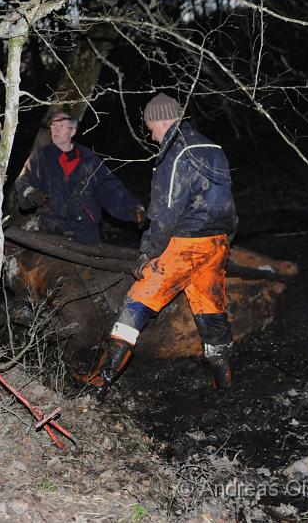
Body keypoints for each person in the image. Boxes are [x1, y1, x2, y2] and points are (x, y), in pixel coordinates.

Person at [85, 93, 238, 398]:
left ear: (159, 120)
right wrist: (226, 240)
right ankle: (225, 386)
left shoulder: (175, 151)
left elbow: (166, 211)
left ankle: (100, 382)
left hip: (185, 245)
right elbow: (227, 204)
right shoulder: (213, 147)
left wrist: (149, 251)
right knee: (211, 311)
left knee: (135, 305)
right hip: (217, 242)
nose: (151, 135)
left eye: (149, 127)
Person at [15, 112, 145, 244]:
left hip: (85, 229)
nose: (55, 129)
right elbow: (23, 180)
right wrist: (29, 192)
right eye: (53, 125)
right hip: (50, 226)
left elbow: (108, 188)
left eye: (61, 126)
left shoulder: (88, 159)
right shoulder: (40, 156)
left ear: (72, 131)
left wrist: (132, 209)